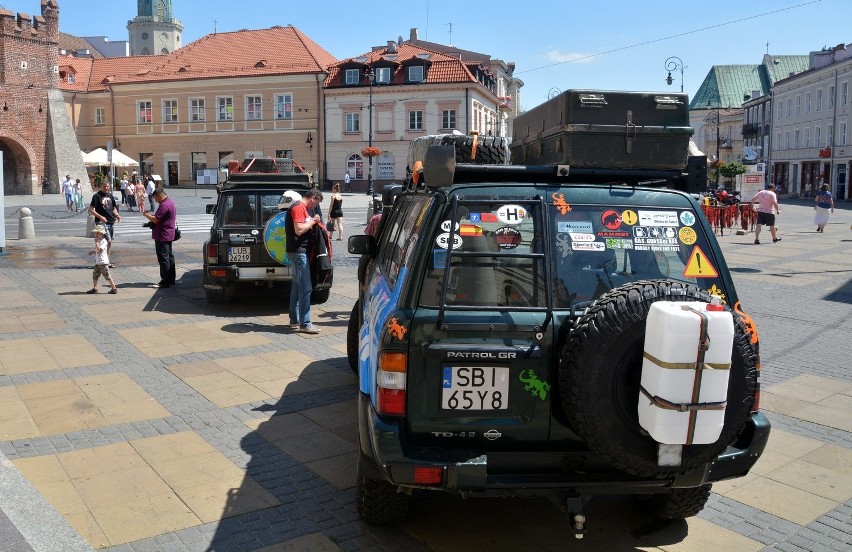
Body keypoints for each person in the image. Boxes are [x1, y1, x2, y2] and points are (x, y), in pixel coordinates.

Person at [284, 188, 324, 334]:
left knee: (296, 287)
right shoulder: (299, 207)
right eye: (316, 203)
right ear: (313, 197)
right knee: (305, 288)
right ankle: (305, 323)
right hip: (299, 253)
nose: (314, 206)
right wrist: (313, 221)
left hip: (296, 252)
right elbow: (299, 229)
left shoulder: (297, 207)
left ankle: (294, 320)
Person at [142, 187, 177, 288]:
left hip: (162, 234)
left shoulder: (165, 205)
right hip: (168, 233)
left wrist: (146, 214)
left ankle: (164, 281)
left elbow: (156, 220)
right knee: (169, 257)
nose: (156, 201)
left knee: (163, 258)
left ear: (160, 196)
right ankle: (171, 278)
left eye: (156, 199)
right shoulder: (170, 202)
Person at [88, 181, 122, 261]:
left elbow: (113, 208)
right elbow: (91, 209)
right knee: (108, 241)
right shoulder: (97, 196)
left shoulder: (110, 195)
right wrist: (100, 217)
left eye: (107, 186)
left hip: (111, 221)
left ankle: (104, 260)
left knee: (106, 242)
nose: (106, 188)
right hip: (101, 222)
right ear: (100, 187)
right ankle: (104, 260)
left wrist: (117, 215)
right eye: (104, 186)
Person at [87, 225, 118, 294]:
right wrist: (93, 252)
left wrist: (96, 242)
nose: (96, 235)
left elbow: (100, 250)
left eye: (97, 233)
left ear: (102, 234)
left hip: (103, 263)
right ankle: (95, 288)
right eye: (95, 233)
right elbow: (98, 251)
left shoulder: (104, 241)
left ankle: (114, 288)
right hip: (98, 263)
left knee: (107, 276)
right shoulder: (99, 240)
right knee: (95, 275)